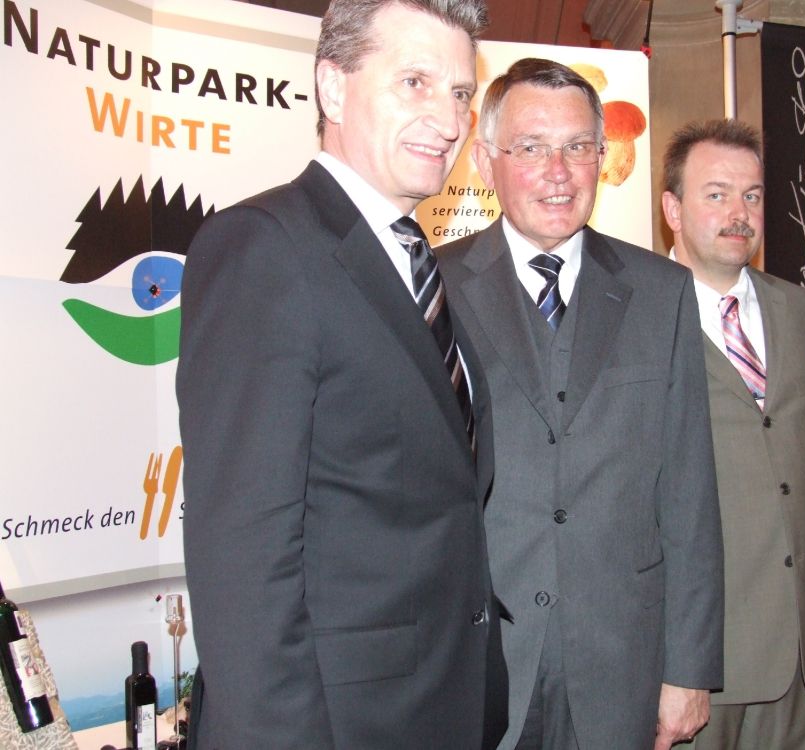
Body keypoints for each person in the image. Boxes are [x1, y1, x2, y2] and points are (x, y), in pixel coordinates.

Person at [176, 1, 508, 747]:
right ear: (332, 89)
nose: (450, 121)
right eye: (415, 83)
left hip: (440, 708)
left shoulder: (412, 261)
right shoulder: (264, 248)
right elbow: (244, 560)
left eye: (460, 94)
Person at [437, 58, 724, 750]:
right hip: (478, 666)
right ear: (485, 161)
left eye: (578, 148)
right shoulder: (432, 291)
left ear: (602, 158)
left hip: (620, 665)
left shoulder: (663, 294)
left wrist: (689, 669)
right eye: (531, 148)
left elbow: (688, 491)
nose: (558, 172)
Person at [660, 119, 805, 749]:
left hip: (802, 651)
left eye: (753, 196)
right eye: (715, 194)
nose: (739, 213)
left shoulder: (800, 310)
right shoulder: (636, 320)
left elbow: (798, 456)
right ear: (672, 209)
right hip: (699, 663)